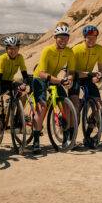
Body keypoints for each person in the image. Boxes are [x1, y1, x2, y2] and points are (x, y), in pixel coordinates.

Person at [29, 24, 75, 154]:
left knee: (65, 104)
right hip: (40, 78)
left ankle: (66, 138)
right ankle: (36, 141)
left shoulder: (69, 52)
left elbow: (71, 71)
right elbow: (42, 73)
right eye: (60, 37)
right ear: (55, 37)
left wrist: (69, 79)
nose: (63, 40)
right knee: (42, 107)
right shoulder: (47, 50)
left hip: (54, 79)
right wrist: (60, 80)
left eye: (65, 38)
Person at [0, 35, 30, 142]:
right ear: (6, 49)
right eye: (10, 49)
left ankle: (17, 118)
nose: (13, 51)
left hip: (9, 81)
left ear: (18, 49)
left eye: (15, 48)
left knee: (23, 93)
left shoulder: (20, 58)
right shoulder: (2, 58)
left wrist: (24, 84)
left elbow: (24, 74)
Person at [71, 25, 102, 145]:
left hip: (89, 79)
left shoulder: (99, 49)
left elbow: (101, 69)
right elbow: (72, 71)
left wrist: (99, 75)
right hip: (76, 78)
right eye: (89, 37)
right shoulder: (76, 49)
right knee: (76, 107)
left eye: (94, 37)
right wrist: (89, 74)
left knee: (98, 106)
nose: (92, 40)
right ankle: (70, 136)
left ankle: (88, 135)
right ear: (84, 37)